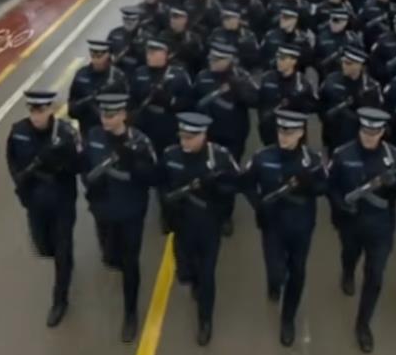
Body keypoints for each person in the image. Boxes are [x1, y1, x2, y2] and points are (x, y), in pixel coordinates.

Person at [239, 110, 327, 346]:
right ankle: (274, 283)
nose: (284, 137)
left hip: (301, 225)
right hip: (273, 225)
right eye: (281, 131)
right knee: (277, 271)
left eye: (290, 133)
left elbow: (325, 186)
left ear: (300, 133)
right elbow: (245, 183)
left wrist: (311, 186)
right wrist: (258, 205)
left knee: (297, 272)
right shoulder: (262, 157)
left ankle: (287, 319)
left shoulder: (313, 160)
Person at [81, 93, 157, 342]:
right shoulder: (93, 136)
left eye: (112, 115)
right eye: (104, 114)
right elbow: (83, 166)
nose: (106, 119)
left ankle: (131, 313)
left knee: (129, 263)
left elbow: (153, 178)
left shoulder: (140, 142)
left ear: (123, 115)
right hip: (103, 210)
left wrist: (134, 164)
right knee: (110, 257)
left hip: (130, 212)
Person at [159, 112, 240, 346]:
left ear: (203, 135)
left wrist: (217, 189)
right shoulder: (170, 155)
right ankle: (192, 280)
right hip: (181, 226)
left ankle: (205, 320)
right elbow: (161, 182)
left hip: (208, 227)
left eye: (190, 138)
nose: (185, 142)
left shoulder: (220, 157)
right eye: (182, 137)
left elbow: (236, 184)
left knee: (207, 276)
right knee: (185, 273)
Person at [328, 108, 396, 352]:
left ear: (382, 132)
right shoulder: (342, 154)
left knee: (375, 276)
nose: (369, 137)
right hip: (352, 225)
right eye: (365, 132)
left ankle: (363, 324)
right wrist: (340, 206)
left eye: (375, 133)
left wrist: (395, 186)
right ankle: (348, 271)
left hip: (381, 228)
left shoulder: (394, 156)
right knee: (349, 255)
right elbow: (332, 187)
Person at [5, 89, 82, 327]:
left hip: (61, 203)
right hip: (36, 204)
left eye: (41, 110)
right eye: (32, 111)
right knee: (43, 246)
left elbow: (79, 165)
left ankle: (60, 300)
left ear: (50, 109)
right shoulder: (18, 133)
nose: (36, 116)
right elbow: (13, 164)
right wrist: (25, 196)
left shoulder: (66, 134)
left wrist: (63, 159)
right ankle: (64, 260)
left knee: (61, 251)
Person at [192, 42, 258, 235]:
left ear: (229, 61)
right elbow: (193, 100)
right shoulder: (203, 77)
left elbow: (255, 99)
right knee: (204, 173)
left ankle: (225, 216)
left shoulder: (241, 77)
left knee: (226, 177)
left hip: (232, 137)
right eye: (211, 58)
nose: (212, 62)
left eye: (217, 59)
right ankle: (207, 210)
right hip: (207, 136)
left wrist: (239, 89)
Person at [319, 46, 384, 154]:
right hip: (333, 133)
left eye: (349, 63)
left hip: (356, 135)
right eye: (343, 62)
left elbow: (376, 112)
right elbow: (321, 102)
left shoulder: (371, 87)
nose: (344, 66)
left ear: (359, 65)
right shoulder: (331, 80)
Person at [67, 39, 130, 139]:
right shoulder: (81, 75)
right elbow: (71, 108)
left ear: (108, 55)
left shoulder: (117, 78)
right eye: (93, 56)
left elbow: (127, 107)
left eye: (99, 56)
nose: (96, 60)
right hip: (87, 131)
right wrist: (86, 103)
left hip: (112, 133)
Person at [257, 45, 318, 145]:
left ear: (293, 61)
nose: (279, 61)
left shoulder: (302, 83)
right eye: (278, 58)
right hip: (270, 129)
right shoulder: (267, 78)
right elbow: (260, 102)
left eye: (283, 59)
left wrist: (298, 100)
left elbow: (311, 107)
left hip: (293, 132)